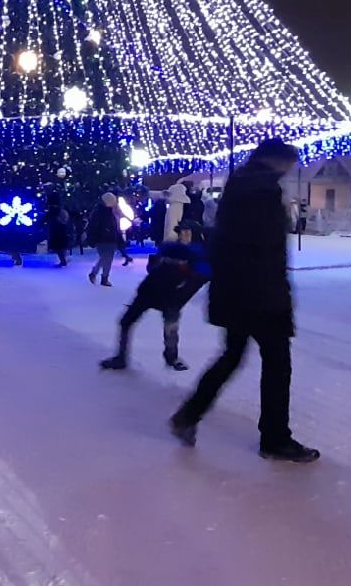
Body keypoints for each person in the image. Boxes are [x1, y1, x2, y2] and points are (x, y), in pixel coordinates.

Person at [169, 139, 320, 463]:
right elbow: (265, 250)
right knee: (277, 364)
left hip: (234, 291)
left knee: (232, 356)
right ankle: (275, 438)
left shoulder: (238, 185)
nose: (289, 171)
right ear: (276, 161)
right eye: (288, 165)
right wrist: (277, 296)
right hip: (260, 294)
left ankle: (189, 415)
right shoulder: (263, 191)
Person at [101, 220, 209, 372]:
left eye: (187, 232)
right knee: (126, 321)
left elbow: (200, 275)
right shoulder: (173, 249)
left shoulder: (197, 255)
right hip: (149, 291)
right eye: (182, 231)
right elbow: (153, 266)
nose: (183, 235)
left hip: (172, 296)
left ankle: (172, 357)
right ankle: (121, 357)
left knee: (170, 327)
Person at [86, 193, 122, 286]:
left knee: (105, 258)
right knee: (107, 258)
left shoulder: (104, 211)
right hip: (104, 239)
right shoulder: (103, 213)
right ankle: (103, 277)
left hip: (107, 238)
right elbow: (95, 226)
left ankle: (96, 274)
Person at [45, 192, 72, 267]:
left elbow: (48, 218)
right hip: (61, 230)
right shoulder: (60, 210)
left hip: (56, 230)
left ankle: (63, 260)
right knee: (60, 246)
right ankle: (64, 259)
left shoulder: (53, 210)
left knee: (58, 247)